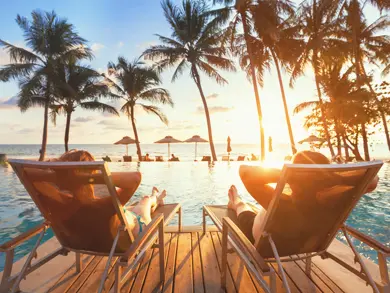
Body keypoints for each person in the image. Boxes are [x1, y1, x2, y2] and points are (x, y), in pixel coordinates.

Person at [227, 150, 380, 245]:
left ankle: (235, 200)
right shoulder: (333, 200)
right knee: (255, 209)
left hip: (260, 234)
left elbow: (245, 171)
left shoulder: (284, 205)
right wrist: (330, 177)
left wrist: (292, 176)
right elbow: (372, 181)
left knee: (241, 207)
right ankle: (238, 201)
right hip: (302, 242)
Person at [33, 150, 167, 239]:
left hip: (119, 221)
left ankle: (157, 197)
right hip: (137, 227)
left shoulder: (63, 200)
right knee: (145, 201)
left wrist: (60, 173)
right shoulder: (102, 205)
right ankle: (156, 195)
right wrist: (91, 175)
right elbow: (136, 177)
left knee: (139, 204)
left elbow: (28, 172)